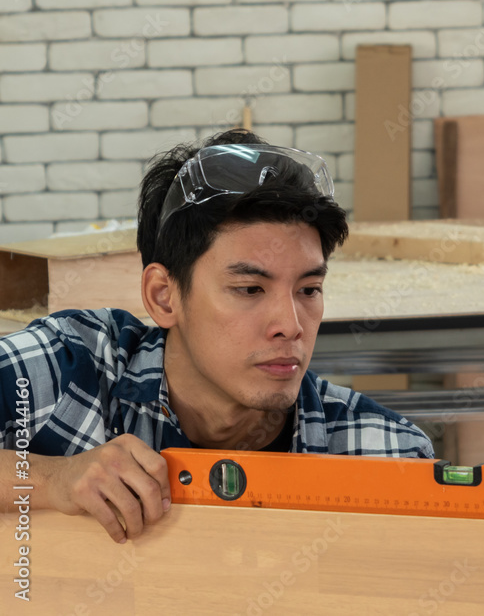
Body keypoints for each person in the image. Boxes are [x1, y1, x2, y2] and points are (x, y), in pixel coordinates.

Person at [0, 129, 433, 544]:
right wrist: (52, 479)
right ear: (164, 297)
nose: (291, 324)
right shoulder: (72, 370)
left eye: (308, 290)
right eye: (249, 289)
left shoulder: (385, 456)